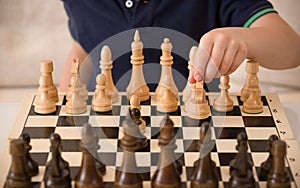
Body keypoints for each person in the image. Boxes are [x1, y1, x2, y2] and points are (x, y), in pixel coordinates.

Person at [59, 0, 300, 92]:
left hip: (194, 127)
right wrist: (62, 99)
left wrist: (244, 40)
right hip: (106, 125)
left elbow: (291, 48)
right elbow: (83, 45)